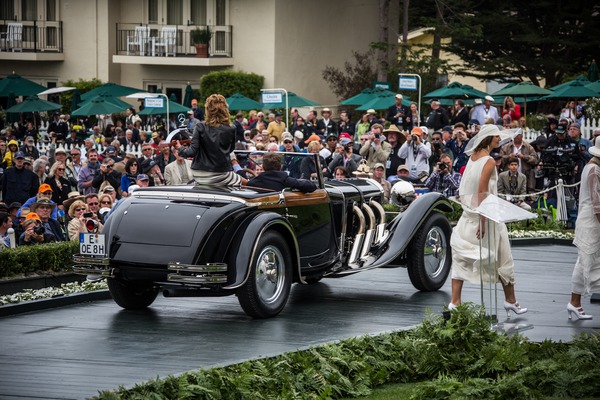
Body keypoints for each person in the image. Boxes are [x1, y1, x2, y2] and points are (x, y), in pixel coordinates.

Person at [449, 124, 527, 316]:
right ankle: (510, 300)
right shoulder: (489, 161)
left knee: (462, 258)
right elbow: (482, 192)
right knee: (504, 257)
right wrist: (483, 221)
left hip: (468, 216)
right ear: (488, 138)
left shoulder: (472, 158)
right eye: (496, 137)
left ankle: (455, 302)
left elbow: (465, 189)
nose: (500, 139)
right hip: (484, 217)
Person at [176, 94, 244, 187]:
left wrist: (180, 148)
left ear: (207, 110)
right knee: (244, 181)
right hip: (221, 173)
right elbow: (230, 150)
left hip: (200, 173)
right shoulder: (231, 128)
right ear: (225, 109)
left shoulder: (200, 126)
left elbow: (191, 152)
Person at [567, 136, 600, 320]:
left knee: (585, 262)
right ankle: (574, 302)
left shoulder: (590, 166)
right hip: (591, 221)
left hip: (589, 219)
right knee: (584, 262)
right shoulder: (594, 170)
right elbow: (597, 203)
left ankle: (575, 303)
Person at [247, 152, 317, 193]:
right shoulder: (286, 180)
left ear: (264, 167)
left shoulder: (254, 182)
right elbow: (311, 186)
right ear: (280, 167)